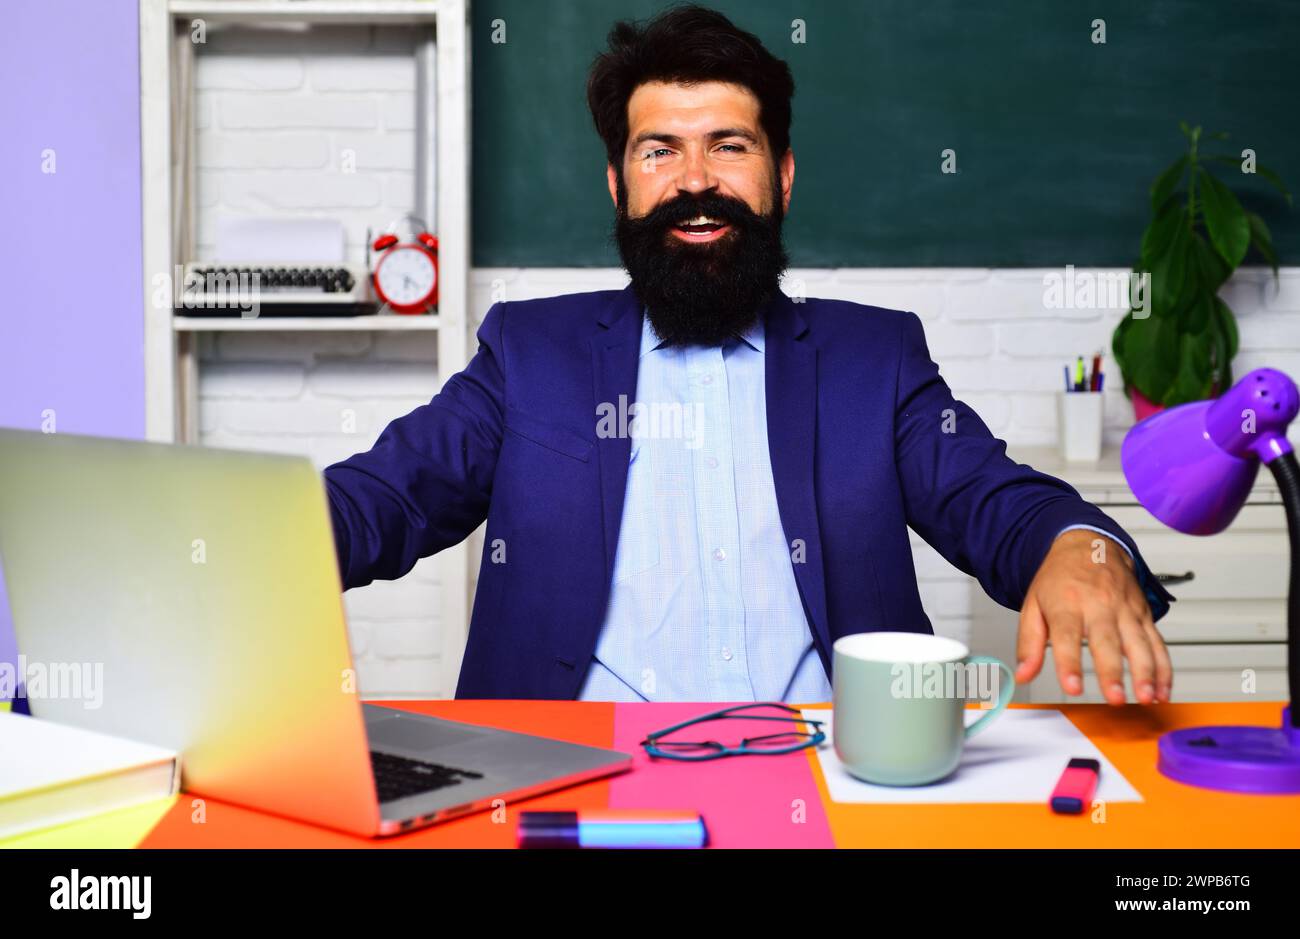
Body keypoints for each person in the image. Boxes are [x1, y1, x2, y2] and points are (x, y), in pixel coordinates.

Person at [325, 4, 1174, 704]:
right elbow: (386, 497)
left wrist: (1079, 547)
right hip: (571, 776)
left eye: (730, 145)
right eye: (660, 150)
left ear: (784, 175)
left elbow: (997, 500)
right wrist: (248, 549)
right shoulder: (528, 352)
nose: (697, 180)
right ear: (619, 186)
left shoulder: (873, 360)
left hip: (834, 773)